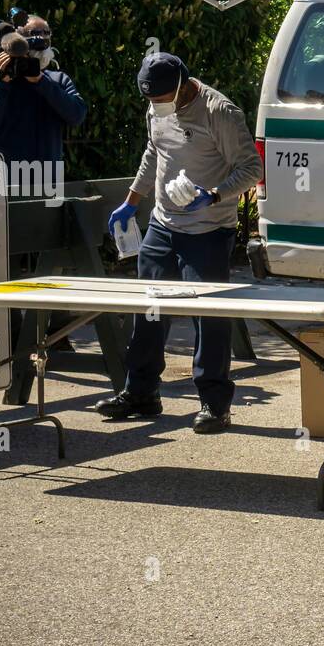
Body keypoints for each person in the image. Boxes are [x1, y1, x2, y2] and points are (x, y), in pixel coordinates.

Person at [96, 52, 262, 434]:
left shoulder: (220, 112)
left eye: (163, 98)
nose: (158, 106)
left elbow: (252, 168)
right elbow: (155, 151)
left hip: (207, 229)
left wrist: (216, 194)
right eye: (151, 100)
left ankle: (214, 404)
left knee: (209, 316)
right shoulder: (158, 106)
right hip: (162, 224)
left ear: (184, 83)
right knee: (151, 307)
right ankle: (140, 392)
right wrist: (131, 201)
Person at [0, 14, 86, 192]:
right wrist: (1, 84)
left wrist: (41, 82)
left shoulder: (57, 79)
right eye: (36, 33)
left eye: (47, 33)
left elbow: (77, 115)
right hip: (3, 182)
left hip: (47, 183)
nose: (43, 37)